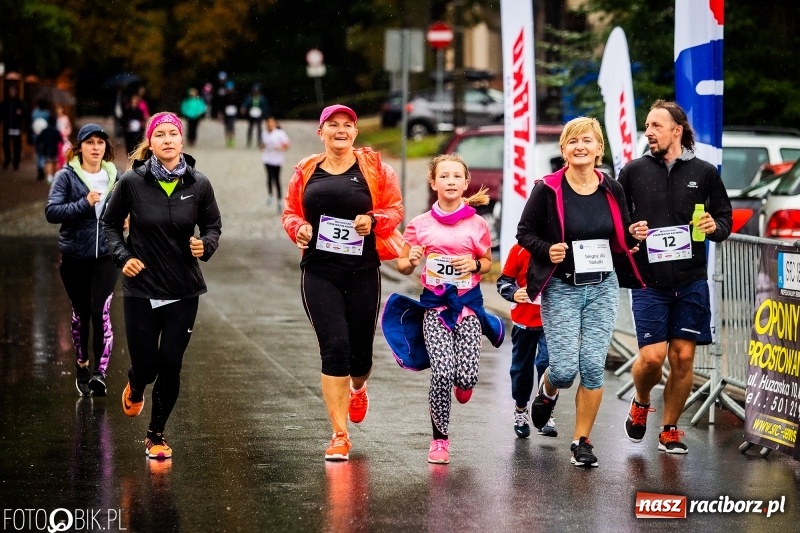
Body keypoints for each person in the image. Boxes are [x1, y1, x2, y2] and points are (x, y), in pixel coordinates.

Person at [516, 116, 645, 468]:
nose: (580, 147)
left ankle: (581, 441)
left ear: (599, 148)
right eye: (573, 141)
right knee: (563, 370)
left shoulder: (612, 188)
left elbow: (619, 236)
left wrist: (634, 236)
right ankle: (547, 392)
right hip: (562, 286)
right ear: (564, 149)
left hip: (603, 286)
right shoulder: (548, 188)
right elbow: (524, 233)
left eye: (587, 140)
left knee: (591, 367)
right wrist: (546, 250)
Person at [281, 104, 403, 461]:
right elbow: (290, 213)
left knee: (359, 356)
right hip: (319, 270)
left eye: (347, 125)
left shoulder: (377, 169)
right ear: (321, 133)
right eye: (332, 125)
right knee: (334, 348)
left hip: (363, 269)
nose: (340, 130)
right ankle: (338, 434)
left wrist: (374, 220)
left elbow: (394, 209)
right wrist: (298, 228)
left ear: (355, 132)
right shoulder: (305, 171)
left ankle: (358, 387)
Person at [102, 112, 222, 460]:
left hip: (183, 289)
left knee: (170, 363)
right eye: (160, 135)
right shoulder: (131, 182)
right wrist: (123, 257)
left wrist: (206, 244)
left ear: (182, 141)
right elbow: (110, 225)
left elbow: (213, 225)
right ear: (150, 143)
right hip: (141, 287)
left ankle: (156, 435)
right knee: (146, 365)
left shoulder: (199, 184)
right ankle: (136, 384)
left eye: (174, 134)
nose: (168, 140)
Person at [617, 100, 732, 454]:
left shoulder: (706, 172)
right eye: (647, 126)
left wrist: (714, 226)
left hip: (691, 281)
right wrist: (629, 232)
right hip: (650, 281)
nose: (648, 132)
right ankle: (640, 401)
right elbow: (617, 224)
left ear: (677, 130)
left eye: (655, 126)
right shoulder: (633, 172)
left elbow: (725, 221)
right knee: (652, 357)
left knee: (682, 357)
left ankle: (669, 428)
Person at [392, 153, 503, 465]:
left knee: (465, 378)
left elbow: (486, 263)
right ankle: (439, 440)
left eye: (457, 176)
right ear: (433, 182)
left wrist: (474, 264)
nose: (451, 181)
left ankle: (464, 382)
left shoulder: (477, 224)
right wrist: (411, 261)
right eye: (444, 176)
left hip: (468, 308)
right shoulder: (419, 225)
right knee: (441, 371)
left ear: (466, 183)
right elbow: (402, 264)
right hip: (435, 309)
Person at [45, 123, 119, 397]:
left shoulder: (115, 176)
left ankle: (100, 373)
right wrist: (83, 203)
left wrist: (125, 221)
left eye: (100, 143)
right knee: (82, 314)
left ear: (105, 148)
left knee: (100, 310)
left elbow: (125, 209)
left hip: (107, 257)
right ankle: (82, 364)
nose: (96, 147)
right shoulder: (67, 177)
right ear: (80, 148)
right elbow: (51, 212)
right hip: (75, 256)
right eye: (90, 143)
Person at [496, 243, 557, 438]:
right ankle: (521, 410)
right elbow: (504, 281)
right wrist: (513, 293)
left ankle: (545, 411)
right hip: (523, 320)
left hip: (552, 320)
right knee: (521, 368)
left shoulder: (560, 249)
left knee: (547, 363)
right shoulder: (519, 249)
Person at [260, 116, 290, 210]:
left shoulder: (280, 133)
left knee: (276, 180)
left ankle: (280, 201)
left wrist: (279, 148)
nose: (270, 125)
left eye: (271, 123)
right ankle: (270, 195)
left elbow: (287, 146)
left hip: (277, 160)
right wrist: (262, 146)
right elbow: (262, 145)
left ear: (275, 124)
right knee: (269, 177)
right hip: (267, 159)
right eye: (268, 123)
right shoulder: (264, 133)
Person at [1, 85, 25, 170]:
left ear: (15, 92)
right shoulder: (5, 102)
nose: (12, 93)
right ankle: (7, 161)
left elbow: (24, 114)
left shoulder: (19, 102)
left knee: (17, 145)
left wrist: (20, 113)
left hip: (16, 127)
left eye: (13, 91)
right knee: (6, 144)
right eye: (10, 91)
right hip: (7, 127)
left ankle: (16, 163)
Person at [35, 116, 61, 183]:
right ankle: (56, 177)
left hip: (46, 150)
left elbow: (38, 140)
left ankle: (49, 177)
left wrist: (39, 149)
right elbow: (60, 140)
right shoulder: (56, 131)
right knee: (55, 163)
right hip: (55, 150)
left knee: (48, 163)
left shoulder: (44, 131)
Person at [31, 99, 52, 180]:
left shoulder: (34, 112)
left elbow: (32, 123)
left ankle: (39, 168)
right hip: (44, 136)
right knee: (43, 153)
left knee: (38, 152)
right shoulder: (47, 113)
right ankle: (42, 166)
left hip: (36, 135)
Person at [221, 81, 238, 148]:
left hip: (233, 113)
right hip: (226, 113)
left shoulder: (235, 95)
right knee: (227, 127)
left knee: (232, 127)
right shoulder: (225, 96)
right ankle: (227, 140)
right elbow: (222, 105)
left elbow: (237, 104)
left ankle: (232, 140)